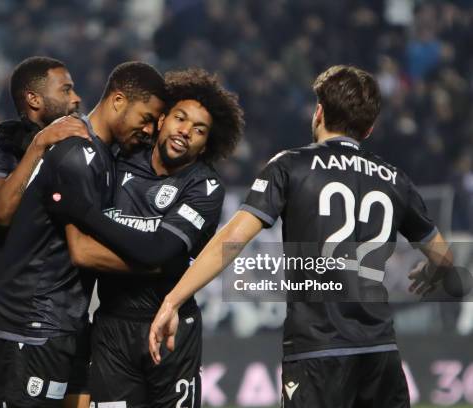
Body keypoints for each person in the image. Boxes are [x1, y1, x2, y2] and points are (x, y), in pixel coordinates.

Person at [148, 65, 454, 408]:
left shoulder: (291, 166)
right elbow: (444, 256)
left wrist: (172, 300)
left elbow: (232, 240)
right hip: (380, 353)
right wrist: (435, 271)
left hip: (318, 352)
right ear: (368, 129)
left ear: (319, 112)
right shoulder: (396, 179)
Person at [0, 61, 165, 408]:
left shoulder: (101, 154)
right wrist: (158, 267)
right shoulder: (76, 152)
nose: (147, 130)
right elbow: (82, 251)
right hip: (33, 320)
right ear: (117, 101)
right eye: (144, 118)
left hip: (63, 318)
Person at [65, 68, 244, 407]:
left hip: (172, 329)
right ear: (161, 120)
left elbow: (160, 250)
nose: (185, 131)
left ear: (208, 142)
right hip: (112, 329)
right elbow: (154, 259)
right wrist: (158, 266)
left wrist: (87, 216)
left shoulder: (204, 187)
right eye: (180, 118)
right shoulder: (119, 160)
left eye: (199, 129)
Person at [0, 56, 87, 408]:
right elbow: (1, 211)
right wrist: (39, 145)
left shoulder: (71, 152)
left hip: (51, 317)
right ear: (34, 99)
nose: (76, 98)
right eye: (66, 89)